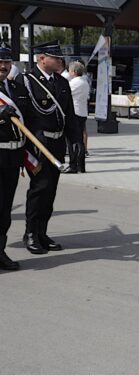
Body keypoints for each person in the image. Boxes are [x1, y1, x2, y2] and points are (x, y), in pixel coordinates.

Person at [16, 41, 75, 254]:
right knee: (39, 189)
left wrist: (75, 142)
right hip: (38, 145)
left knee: (51, 190)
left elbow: (68, 115)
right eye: (56, 57)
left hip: (57, 143)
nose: (60, 60)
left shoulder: (61, 82)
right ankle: (30, 233)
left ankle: (42, 232)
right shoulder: (26, 82)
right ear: (42, 58)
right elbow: (21, 116)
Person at [0, 42, 29, 270]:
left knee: (4, 211)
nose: (3, 65)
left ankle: (0, 252)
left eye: (7, 61)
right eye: (0, 62)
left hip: (12, 157)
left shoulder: (15, 89)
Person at [65, 60, 89, 174]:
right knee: (79, 140)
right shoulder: (85, 82)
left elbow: (66, 94)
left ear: (74, 72)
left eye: (69, 70)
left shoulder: (74, 83)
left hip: (75, 112)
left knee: (72, 141)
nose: (68, 72)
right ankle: (81, 165)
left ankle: (73, 165)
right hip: (82, 112)